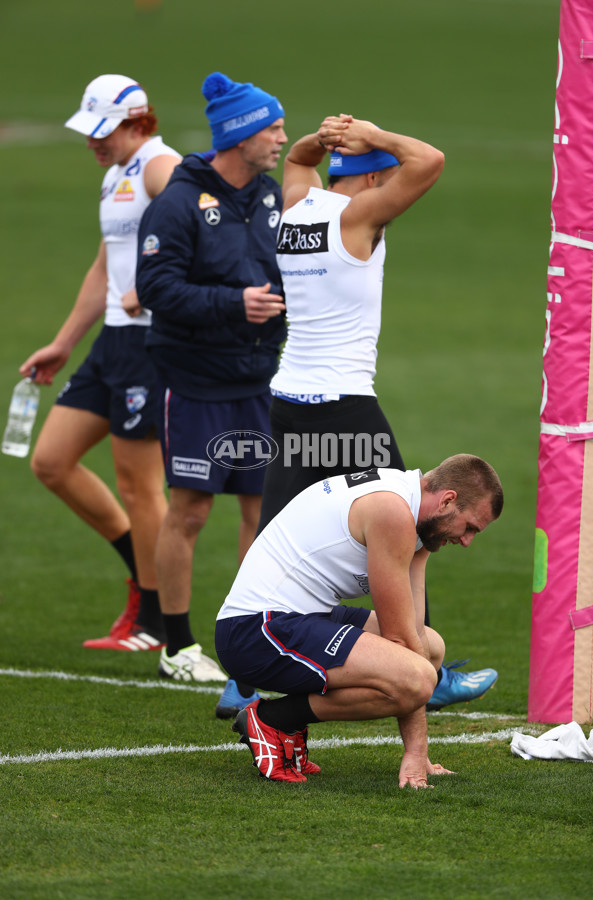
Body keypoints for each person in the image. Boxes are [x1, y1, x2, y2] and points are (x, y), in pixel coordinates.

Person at [257, 114, 498, 710]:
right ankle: (423, 670)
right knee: (415, 528)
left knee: (272, 537)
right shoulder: (357, 217)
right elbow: (431, 160)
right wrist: (372, 132)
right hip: (346, 408)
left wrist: (326, 138)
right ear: (372, 182)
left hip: (288, 402)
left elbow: (296, 162)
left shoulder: (296, 213)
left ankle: (246, 678)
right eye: (386, 179)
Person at [216, 454, 504, 786]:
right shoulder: (392, 511)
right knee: (418, 678)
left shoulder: (415, 513)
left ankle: (283, 722)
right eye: (469, 527)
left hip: (297, 616)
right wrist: (416, 750)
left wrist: (418, 751)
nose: (467, 541)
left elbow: (414, 637)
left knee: (432, 650)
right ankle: (272, 720)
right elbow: (401, 642)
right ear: (448, 501)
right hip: (254, 631)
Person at [19, 74, 181, 650]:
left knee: (141, 487)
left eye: (102, 131)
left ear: (138, 122)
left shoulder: (161, 167)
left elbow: (206, 235)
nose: (92, 142)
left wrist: (156, 289)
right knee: (51, 461)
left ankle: (160, 622)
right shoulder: (117, 174)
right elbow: (103, 269)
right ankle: (143, 578)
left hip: (150, 346)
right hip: (110, 344)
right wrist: (63, 342)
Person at [135, 72, 287, 686]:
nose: (281, 138)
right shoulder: (178, 202)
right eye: (271, 128)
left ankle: (249, 641)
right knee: (192, 510)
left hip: (256, 379)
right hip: (195, 381)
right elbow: (154, 288)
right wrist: (233, 304)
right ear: (240, 135)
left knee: (260, 510)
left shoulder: (271, 195)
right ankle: (177, 644)